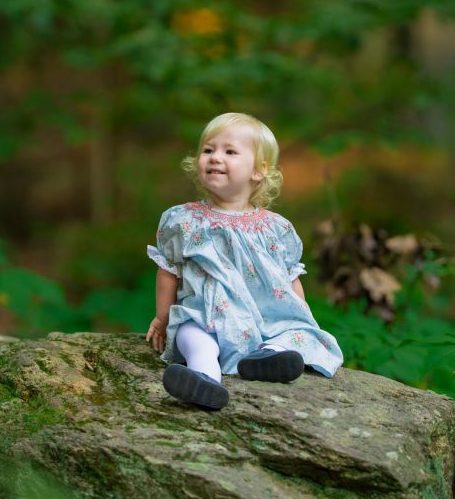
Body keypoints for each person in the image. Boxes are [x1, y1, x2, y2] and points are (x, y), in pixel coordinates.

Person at [145, 112, 344, 410]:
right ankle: (203, 379)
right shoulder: (184, 220)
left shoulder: (276, 227)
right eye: (208, 150)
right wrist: (163, 319)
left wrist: (303, 318)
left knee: (297, 334)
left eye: (230, 151)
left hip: (267, 322)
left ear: (259, 170)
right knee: (192, 335)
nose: (215, 158)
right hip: (209, 316)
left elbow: (290, 278)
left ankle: (268, 357)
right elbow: (168, 272)